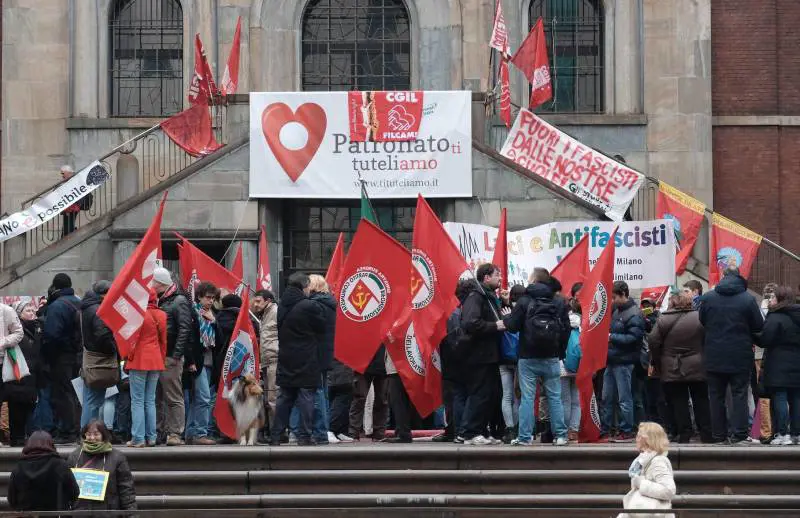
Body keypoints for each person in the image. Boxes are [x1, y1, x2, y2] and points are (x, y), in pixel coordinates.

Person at [503, 268, 569, 446]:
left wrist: (507, 318)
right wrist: (560, 352)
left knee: (527, 397)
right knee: (555, 397)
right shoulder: (558, 301)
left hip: (527, 356)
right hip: (552, 357)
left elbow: (513, 326)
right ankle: (561, 436)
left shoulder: (524, 300)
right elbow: (566, 330)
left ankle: (525, 437)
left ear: (534, 280)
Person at [699, 267, 764, 445]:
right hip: (740, 355)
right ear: (739, 278)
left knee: (716, 396)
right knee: (740, 395)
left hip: (713, 355)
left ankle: (719, 435)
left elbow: (702, 320)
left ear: (723, 277)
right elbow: (758, 325)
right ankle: (740, 434)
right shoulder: (748, 299)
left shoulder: (708, 298)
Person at [648, 293, 712, 443]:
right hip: (698, 364)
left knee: (678, 401)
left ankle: (684, 433)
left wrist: (658, 360)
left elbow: (653, 340)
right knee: (701, 400)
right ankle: (706, 433)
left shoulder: (663, 319)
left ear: (673, 303)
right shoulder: (699, 317)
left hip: (673, 366)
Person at [270, 273, 325, 446]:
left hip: (286, 357)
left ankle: (276, 435)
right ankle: (305, 436)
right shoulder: (309, 306)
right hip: (306, 357)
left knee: (284, 397)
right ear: (303, 286)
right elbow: (321, 326)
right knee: (306, 397)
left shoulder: (282, 306)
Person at [460, 263, 507, 446]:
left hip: (490, 354)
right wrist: (495, 326)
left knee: (490, 394)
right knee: (479, 393)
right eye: (497, 274)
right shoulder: (476, 296)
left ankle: (480, 430)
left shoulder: (489, 297)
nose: (500, 278)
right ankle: (470, 433)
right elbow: (471, 323)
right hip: (478, 355)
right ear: (486, 277)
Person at [290, 275, 337, 444]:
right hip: (323, 355)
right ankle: (320, 431)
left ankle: (318, 432)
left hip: (313, 356)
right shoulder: (328, 304)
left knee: (316, 395)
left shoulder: (315, 305)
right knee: (321, 394)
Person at [152, 267, 194, 446]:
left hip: (170, 357)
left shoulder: (178, 301)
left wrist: (177, 355)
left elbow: (185, 328)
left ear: (160, 283)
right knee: (157, 397)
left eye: (153, 282)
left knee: (173, 396)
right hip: (157, 355)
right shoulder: (160, 301)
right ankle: (160, 432)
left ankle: (175, 433)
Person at [602, 281, 646, 442]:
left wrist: (611, 337)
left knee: (624, 398)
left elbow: (635, 338)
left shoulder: (634, 313)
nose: (612, 301)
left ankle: (626, 430)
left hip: (625, 361)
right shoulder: (617, 311)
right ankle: (607, 429)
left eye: (614, 297)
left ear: (623, 294)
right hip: (612, 359)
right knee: (607, 397)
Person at [42, 273, 82, 444]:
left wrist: (48, 357)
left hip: (61, 356)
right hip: (78, 355)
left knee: (63, 393)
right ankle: (74, 428)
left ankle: (67, 431)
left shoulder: (57, 306)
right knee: (74, 393)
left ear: (55, 287)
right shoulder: (78, 302)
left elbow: (51, 335)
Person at [758, 286, 800, 445]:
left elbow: (765, 339)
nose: (771, 300)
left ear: (780, 299)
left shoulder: (776, 317)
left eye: (773, 297)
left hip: (778, 364)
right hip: (797, 363)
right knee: (796, 398)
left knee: (780, 398)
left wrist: (754, 335)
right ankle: (797, 433)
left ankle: (783, 433)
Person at [125, 289, 167, 447]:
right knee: (150, 400)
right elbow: (164, 342)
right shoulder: (162, 315)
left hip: (139, 360)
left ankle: (138, 438)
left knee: (137, 400)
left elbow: (129, 339)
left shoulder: (136, 314)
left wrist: (127, 358)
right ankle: (151, 437)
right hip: (155, 359)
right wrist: (161, 360)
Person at [67, 420, 136, 514]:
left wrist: (131, 514)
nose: (92, 438)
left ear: (104, 435)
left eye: (96, 434)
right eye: (88, 434)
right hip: (81, 512)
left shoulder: (117, 457)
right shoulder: (75, 456)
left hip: (108, 512)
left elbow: (126, 489)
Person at [433, 280, 472, 443]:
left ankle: (454, 430)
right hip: (457, 360)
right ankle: (458, 430)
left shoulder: (451, 312)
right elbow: (456, 339)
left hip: (451, 361)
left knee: (454, 397)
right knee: (457, 396)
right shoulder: (455, 313)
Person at [79, 280, 119, 428]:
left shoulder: (86, 308)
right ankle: (89, 433)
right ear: (105, 294)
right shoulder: (98, 310)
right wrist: (113, 349)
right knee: (94, 401)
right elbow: (102, 335)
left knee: (90, 399)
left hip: (89, 358)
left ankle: (87, 432)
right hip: (100, 360)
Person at [8, 431, 79, 512]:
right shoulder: (60, 464)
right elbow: (74, 492)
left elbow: (12, 498)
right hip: (56, 514)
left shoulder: (19, 467)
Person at [618, 422, 676, 518]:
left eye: (638, 436)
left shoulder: (658, 461)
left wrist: (642, 483)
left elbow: (669, 490)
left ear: (647, 440)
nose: (636, 440)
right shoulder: (643, 460)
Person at [186, 281, 219, 446]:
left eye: (213, 298)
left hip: (208, 360)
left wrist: (214, 321)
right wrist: (190, 360)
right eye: (208, 298)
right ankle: (200, 433)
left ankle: (191, 432)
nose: (211, 301)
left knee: (198, 399)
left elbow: (218, 339)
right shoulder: (194, 313)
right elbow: (190, 338)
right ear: (199, 297)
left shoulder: (212, 314)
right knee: (204, 398)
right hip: (198, 360)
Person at [7, 301, 42, 447]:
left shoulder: (37, 328)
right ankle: (17, 437)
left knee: (29, 406)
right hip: (18, 374)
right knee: (17, 407)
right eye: (27, 310)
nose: (32, 313)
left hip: (33, 375)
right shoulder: (15, 330)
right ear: (18, 314)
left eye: (33, 310)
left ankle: (28, 437)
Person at [348, 345, 391, 442]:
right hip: (363, 361)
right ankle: (353, 433)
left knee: (382, 400)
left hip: (381, 362)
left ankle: (379, 434)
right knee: (360, 398)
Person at [499, 284, 524, 443]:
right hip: (520, 358)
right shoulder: (524, 311)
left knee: (506, 395)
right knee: (519, 397)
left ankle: (509, 429)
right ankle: (517, 428)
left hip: (503, 358)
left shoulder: (502, 311)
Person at [251, 289, 279, 432]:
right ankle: (272, 430)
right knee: (269, 398)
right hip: (267, 360)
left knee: (273, 398)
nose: (255, 304)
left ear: (268, 301)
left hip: (274, 359)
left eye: (258, 301)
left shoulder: (275, 312)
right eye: (254, 301)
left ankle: (277, 431)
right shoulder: (264, 315)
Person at [561, 283, 583, 442]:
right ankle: (574, 431)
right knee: (576, 400)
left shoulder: (562, 319)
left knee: (565, 400)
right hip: (580, 364)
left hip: (562, 364)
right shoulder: (586, 320)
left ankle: (564, 430)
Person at [60, 165, 80, 237]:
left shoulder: (73, 181)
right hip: (68, 207)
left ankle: (69, 235)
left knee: (69, 224)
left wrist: (68, 209)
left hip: (72, 208)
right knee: (67, 225)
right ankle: (67, 235)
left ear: (68, 173)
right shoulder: (69, 181)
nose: (62, 175)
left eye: (63, 173)